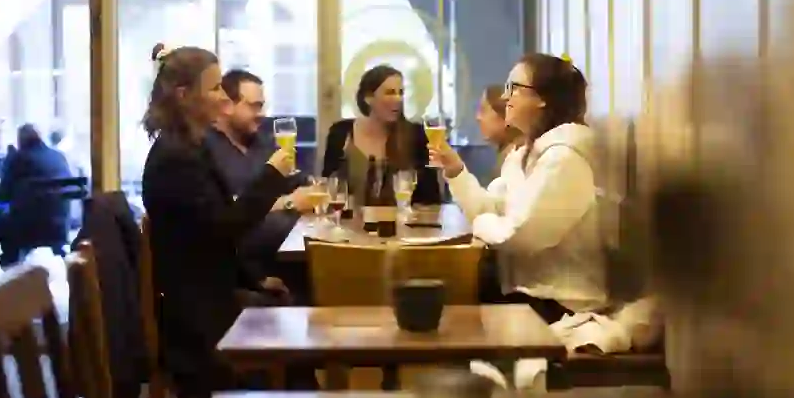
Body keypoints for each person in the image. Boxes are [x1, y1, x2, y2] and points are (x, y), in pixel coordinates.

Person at [140, 43, 304, 398]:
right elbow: (225, 228)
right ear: (185, 95)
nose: (222, 98)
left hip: (206, 293)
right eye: (215, 88)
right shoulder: (176, 157)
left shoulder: (188, 147)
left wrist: (254, 281)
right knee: (296, 327)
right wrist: (272, 176)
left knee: (291, 304)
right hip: (196, 318)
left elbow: (212, 237)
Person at [430, 53, 607, 324]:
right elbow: (489, 208)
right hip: (527, 294)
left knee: (452, 300)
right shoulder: (523, 155)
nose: (504, 97)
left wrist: (482, 224)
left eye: (513, 88)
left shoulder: (565, 158)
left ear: (542, 98)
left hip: (561, 303)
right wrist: (456, 170)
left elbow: (520, 236)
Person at [205, 69, 314, 261]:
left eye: (262, 106)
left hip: (285, 249)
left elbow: (299, 184)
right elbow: (231, 209)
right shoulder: (205, 148)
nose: (262, 114)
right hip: (239, 258)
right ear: (227, 105)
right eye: (254, 106)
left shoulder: (262, 142)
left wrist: (312, 188)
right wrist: (288, 203)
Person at [0, 124, 74, 291]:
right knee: (1, 222)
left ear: (21, 141)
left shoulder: (20, 158)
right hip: (59, 228)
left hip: (28, 229)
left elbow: (2, 196)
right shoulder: (58, 157)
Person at [321, 64, 441, 207]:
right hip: (350, 218)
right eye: (390, 93)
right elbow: (329, 187)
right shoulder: (341, 133)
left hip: (402, 219)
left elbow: (431, 199)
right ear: (368, 98)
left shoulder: (415, 135)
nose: (398, 99)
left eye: (400, 93)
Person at [477, 84, 522, 180]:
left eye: (483, 110)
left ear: (506, 115)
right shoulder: (507, 156)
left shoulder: (516, 161)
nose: (478, 118)